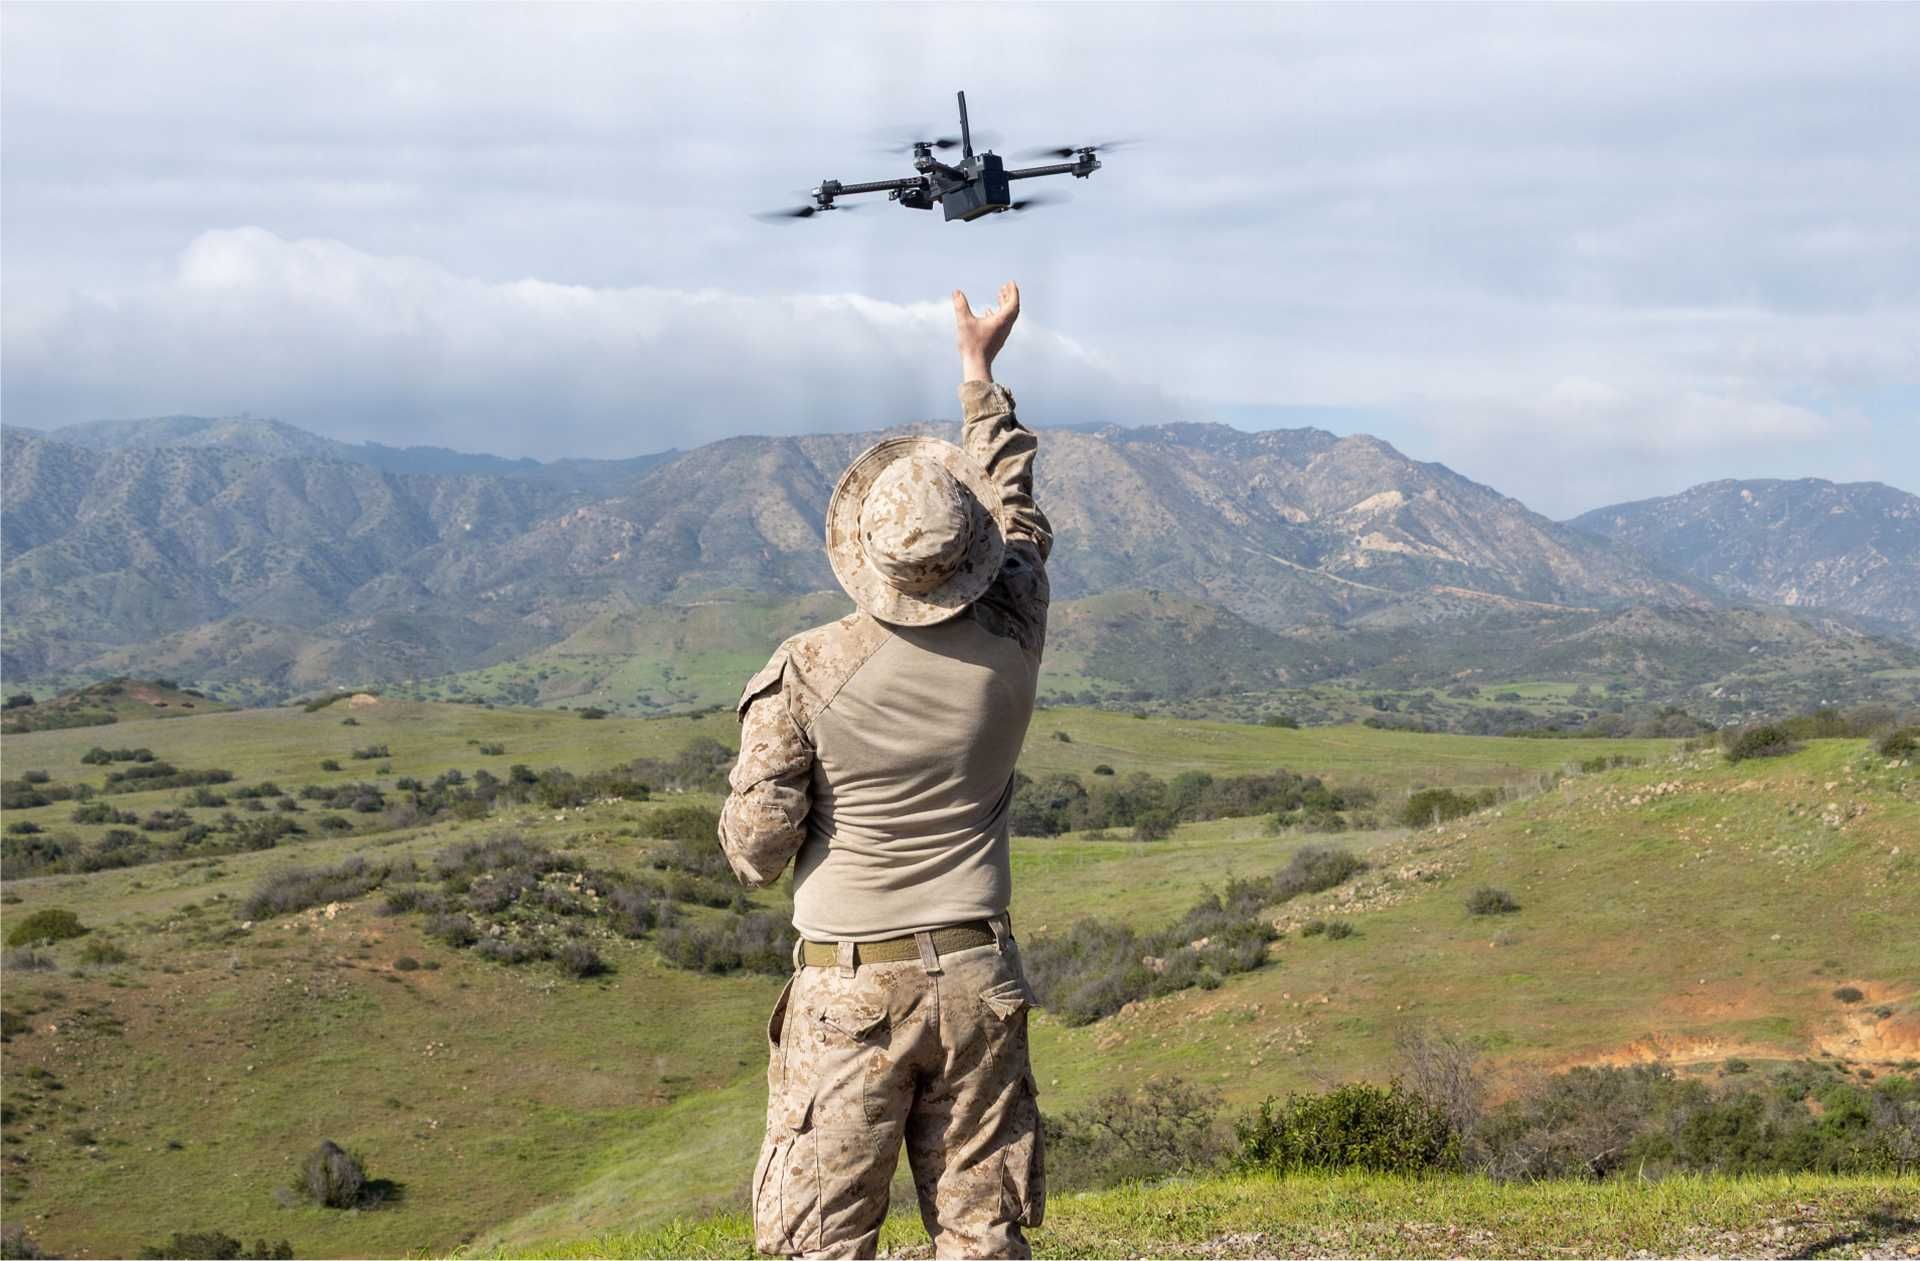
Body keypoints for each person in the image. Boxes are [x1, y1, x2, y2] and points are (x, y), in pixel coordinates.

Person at [717, 281, 1050, 1260]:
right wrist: (980, 377)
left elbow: (757, 853)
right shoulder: (1019, 625)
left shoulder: (808, 671)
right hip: (978, 977)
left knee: (823, 1242)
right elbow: (1019, 512)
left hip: (851, 993)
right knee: (982, 1234)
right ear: (973, 556)